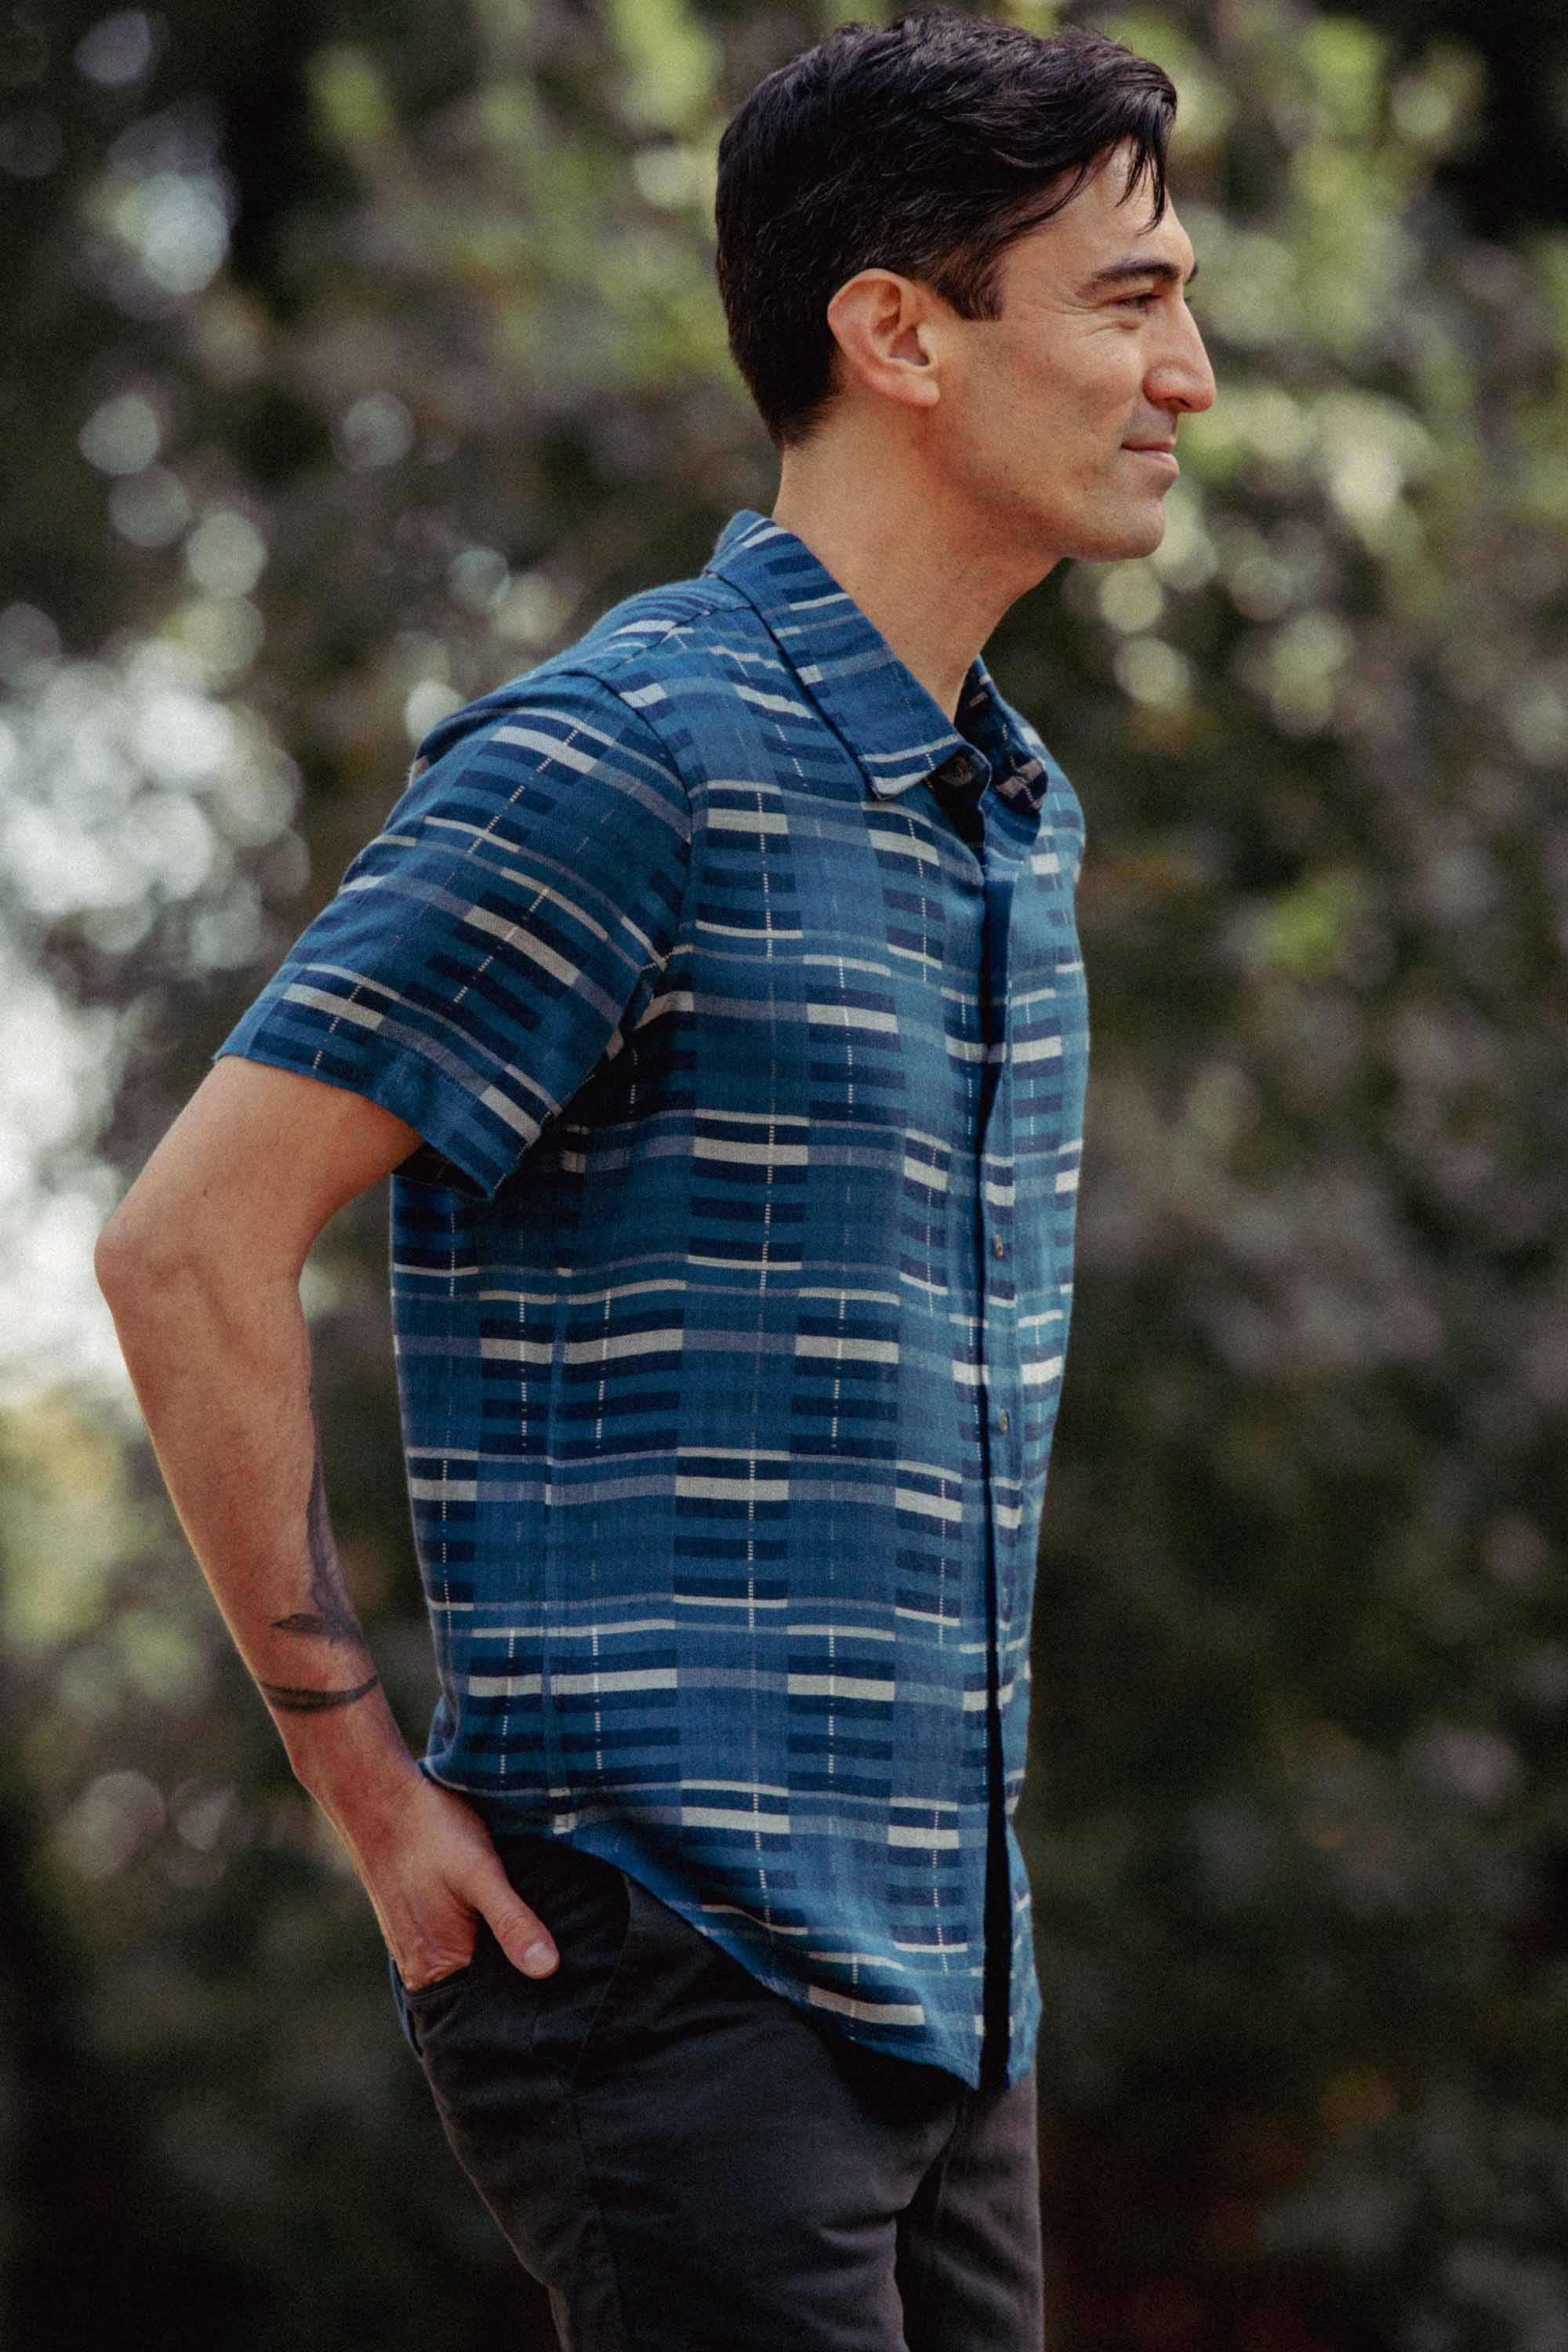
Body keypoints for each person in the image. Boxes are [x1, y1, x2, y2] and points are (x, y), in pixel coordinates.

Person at [95, 9, 1214, 2346]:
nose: (1190, 374)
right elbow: (189, 1239)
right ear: (896, 332)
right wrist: (365, 1792)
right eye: (1129, 299)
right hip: (673, 1967)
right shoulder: (631, 754)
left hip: (947, 1986)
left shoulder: (1010, 816)